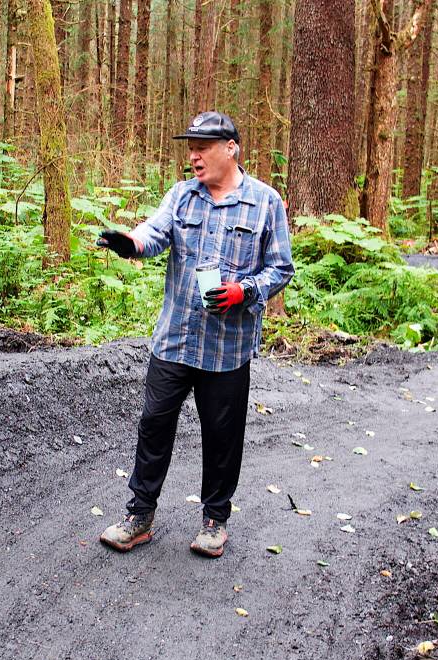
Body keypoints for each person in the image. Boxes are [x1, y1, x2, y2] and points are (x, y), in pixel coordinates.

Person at [95, 111, 294, 558]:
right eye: (191, 147)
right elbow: (155, 231)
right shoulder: (182, 196)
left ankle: (214, 520)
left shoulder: (265, 202)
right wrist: (131, 243)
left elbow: (281, 267)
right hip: (175, 339)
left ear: (231, 149)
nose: (194, 156)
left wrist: (244, 290)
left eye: (203, 147)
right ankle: (139, 516)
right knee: (153, 426)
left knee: (222, 437)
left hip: (227, 349)